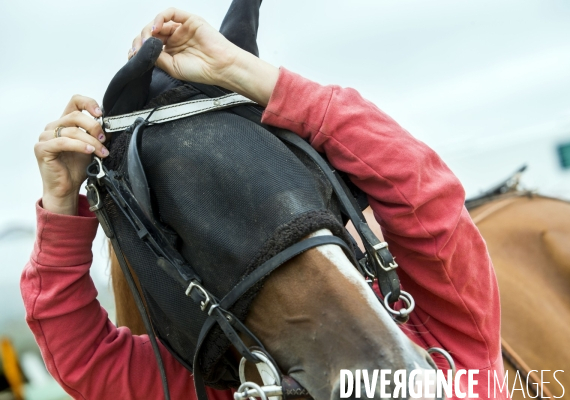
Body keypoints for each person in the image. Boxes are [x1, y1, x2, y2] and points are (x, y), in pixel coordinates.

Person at [22, 7, 507, 400]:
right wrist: (62, 200)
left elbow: (421, 191)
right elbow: (85, 359)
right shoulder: (452, 345)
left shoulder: (444, 337)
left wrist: (236, 69)